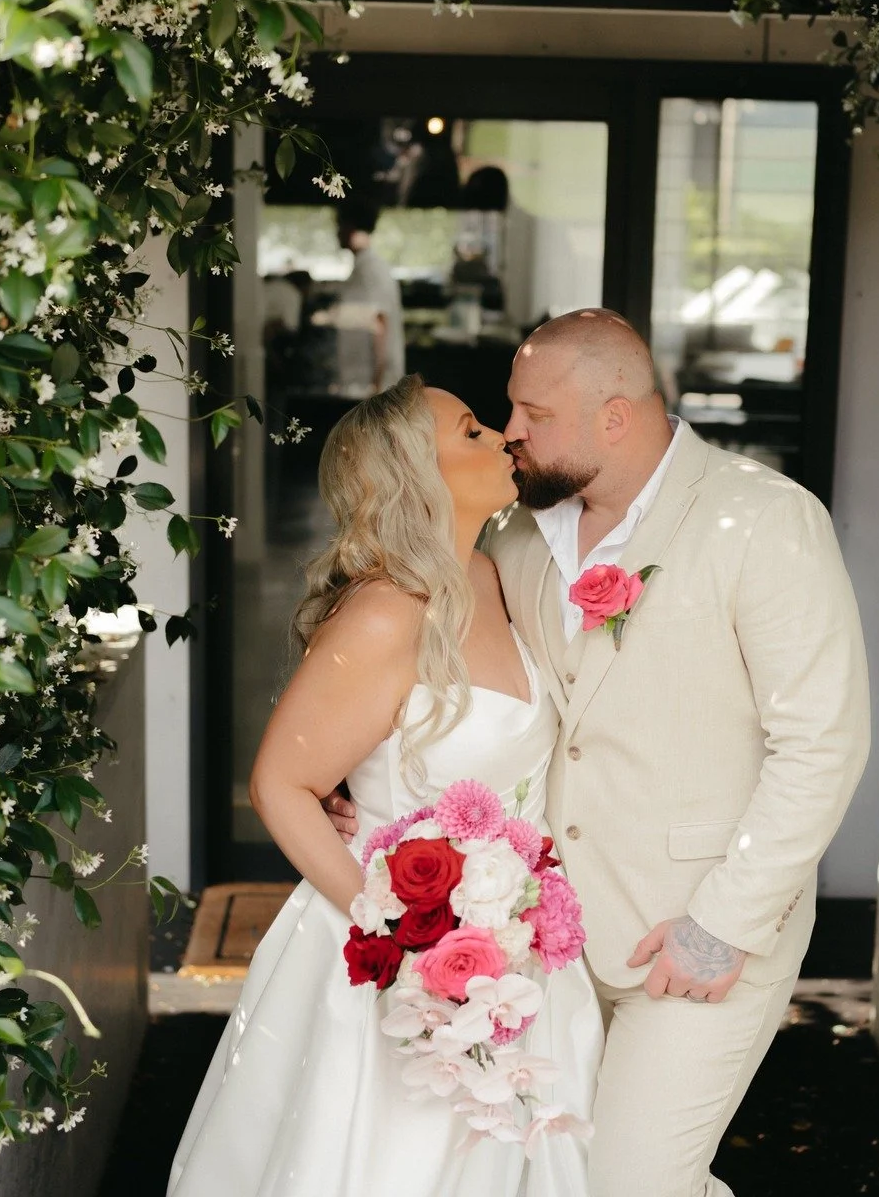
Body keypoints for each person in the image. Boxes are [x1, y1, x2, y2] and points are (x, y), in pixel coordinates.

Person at [329, 308, 870, 1197]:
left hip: (696, 939)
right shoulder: (509, 537)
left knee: (636, 1184)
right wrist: (343, 782)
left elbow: (823, 744)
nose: (512, 434)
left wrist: (724, 924)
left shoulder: (766, 520)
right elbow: (426, 679)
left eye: (532, 414)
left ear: (613, 417)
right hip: (542, 946)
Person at [168, 376, 602, 1197]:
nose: (502, 438)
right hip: (387, 964)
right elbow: (281, 785)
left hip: (516, 957)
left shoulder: (493, 574)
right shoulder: (384, 613)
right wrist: (406, 940)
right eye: (472, 431)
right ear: (417, 473)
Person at [332, 196, 405, 397]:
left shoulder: (372, 270)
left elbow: (379, 322)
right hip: (362, 385)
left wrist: (375, 386)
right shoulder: (363, 268)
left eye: (339, 225)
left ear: (350, 227)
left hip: (373, 389)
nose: (336, 232)